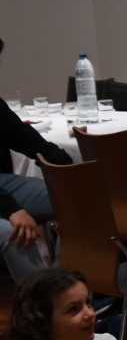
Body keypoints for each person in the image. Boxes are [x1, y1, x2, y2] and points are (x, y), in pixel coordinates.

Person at [1, 38, 71, 281]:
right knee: (14, 232)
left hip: (4, 184)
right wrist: (13, 210)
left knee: (77, 198)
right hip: (4, 194)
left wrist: (68, 168)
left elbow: (28, 140)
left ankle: (66, 285)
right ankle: (42, 301)